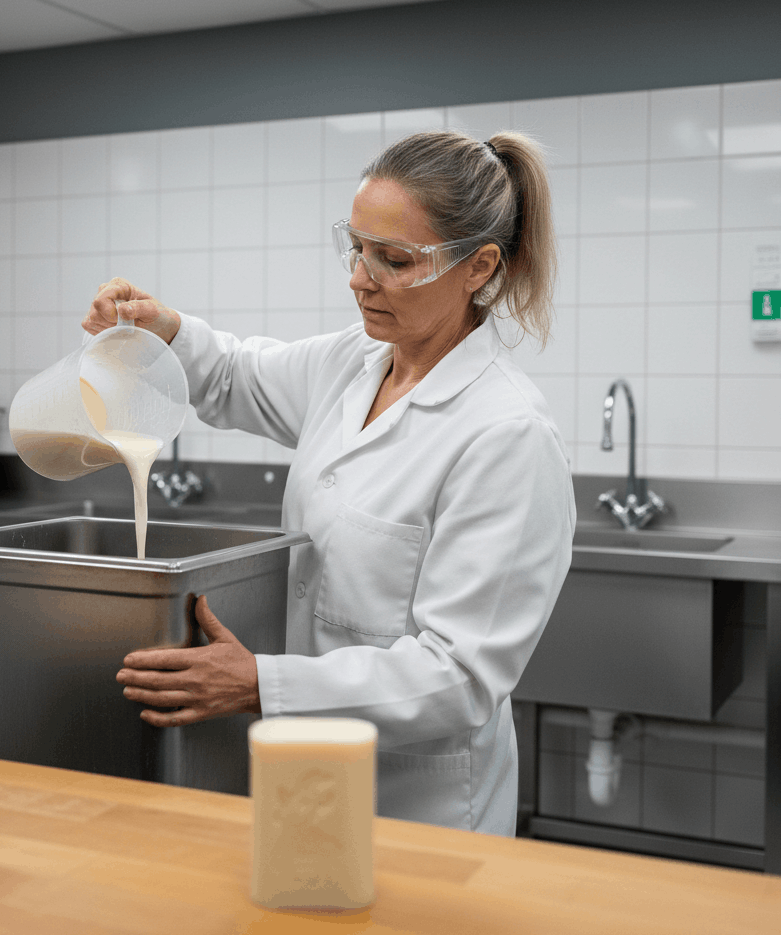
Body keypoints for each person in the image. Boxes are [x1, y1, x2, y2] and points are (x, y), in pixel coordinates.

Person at [82, 130, 575, 836]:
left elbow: (461, 677)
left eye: (395, 260)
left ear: (480, 266)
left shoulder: (506, 433)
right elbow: (234, 376)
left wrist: (262, 684)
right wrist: (161, 329)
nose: (359, 278)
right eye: (358, 248)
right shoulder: (358, 359)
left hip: (416, 806)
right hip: (306, 779)